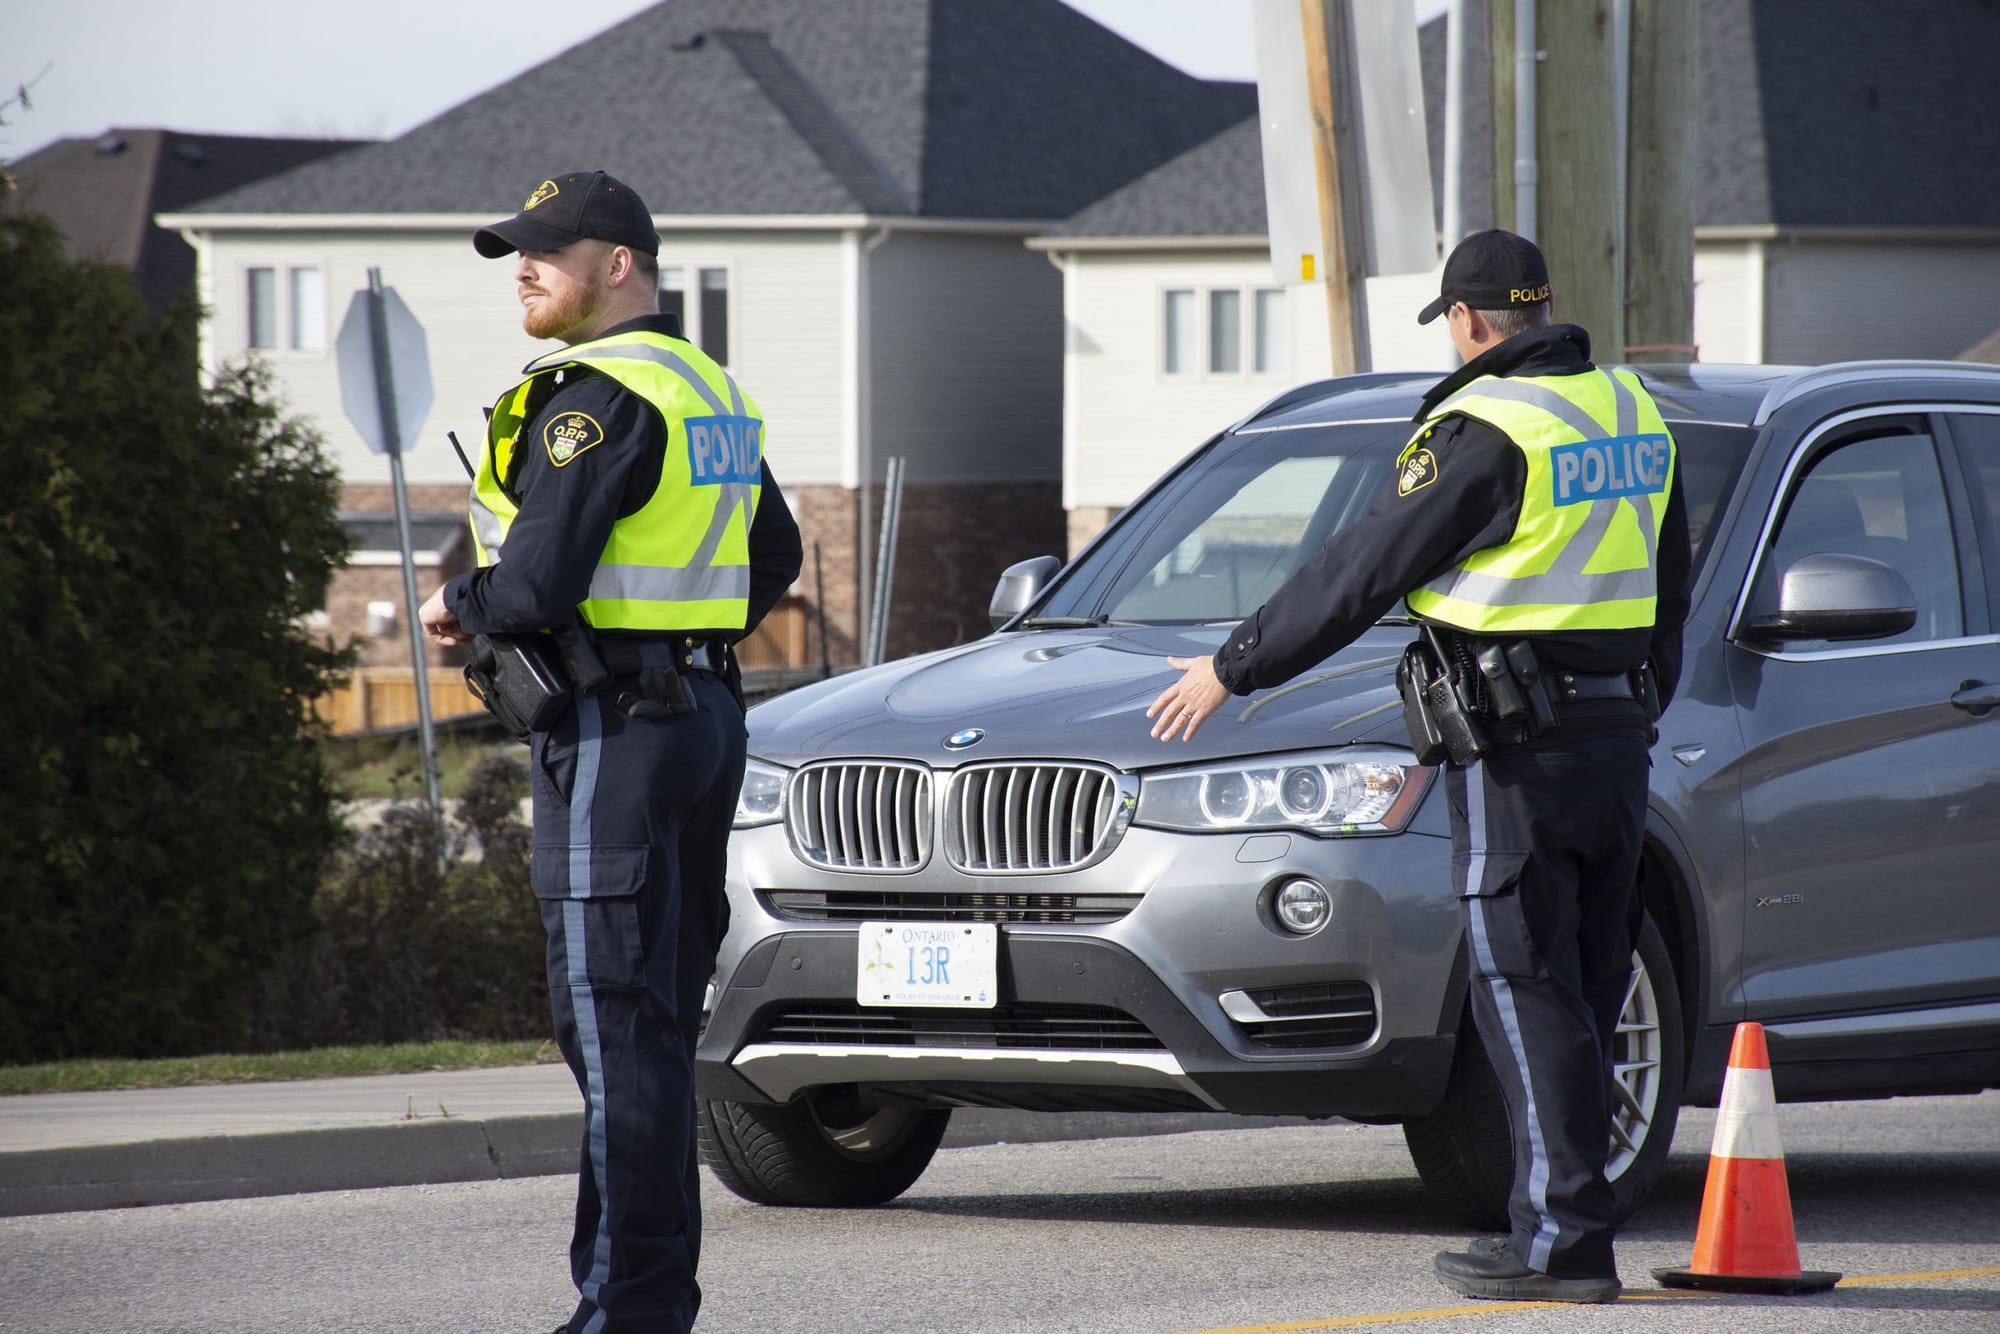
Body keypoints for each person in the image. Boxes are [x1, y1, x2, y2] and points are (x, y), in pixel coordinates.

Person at [1147, 229, 1690, 1305]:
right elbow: (1667, 582)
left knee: (1522, 985)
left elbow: (1362, 568)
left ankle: (1559, 1242)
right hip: (1614, 742)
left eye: (1449, 319)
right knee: (1578, 988)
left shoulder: (1483, 428)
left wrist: (1231, 665)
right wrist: (1635, 705)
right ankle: (1569, 1220)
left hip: (1517, 754)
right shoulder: (1630, 412)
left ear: (1471, 320)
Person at [418, 169, 803, 1334]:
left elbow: (534, 582)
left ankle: (626, 1313)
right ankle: (640, 1301)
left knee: (613, 1026)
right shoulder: (706, 387)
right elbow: (771, 558)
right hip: (698, 717)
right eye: (515, 253)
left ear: (619, 264)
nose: (523, 268)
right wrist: (675, 637)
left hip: (614, 738)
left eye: (546, 250)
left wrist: (456, 601)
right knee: (646, 1025)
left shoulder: (592, 395)